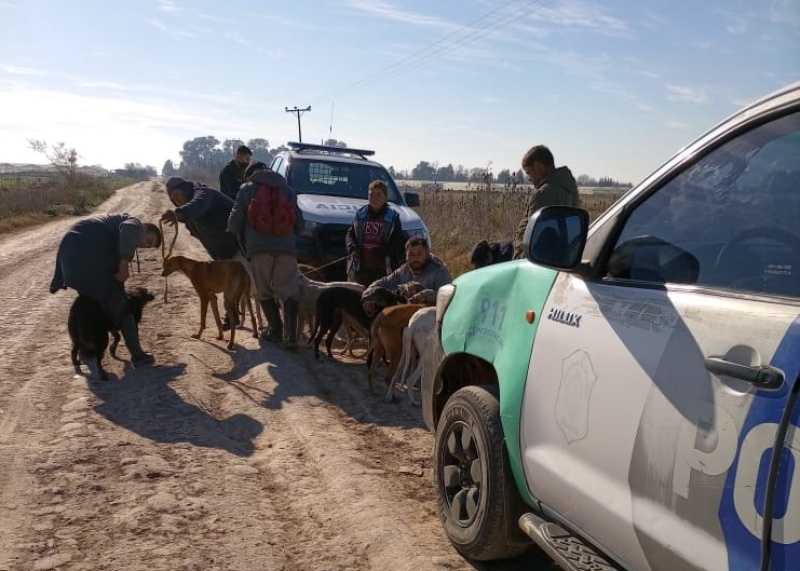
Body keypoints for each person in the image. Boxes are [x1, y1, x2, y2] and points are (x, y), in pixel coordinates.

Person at [49, 214, 162, 367]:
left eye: (147, 247)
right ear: (145, 228)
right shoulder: (135, 224)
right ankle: (138, 356)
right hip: (88, 252)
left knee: (92, 304)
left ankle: (87, 350)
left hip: (70, 257)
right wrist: (124, 263)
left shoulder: (114, 227)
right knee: (122, 305)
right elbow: (128, 229)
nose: (143, 246)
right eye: (148, 241)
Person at [227, 164, 304, 350]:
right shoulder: (288, 190)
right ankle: (291, 337)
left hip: (258, 248)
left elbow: (234, 222)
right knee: (289, 291)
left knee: (263, 289)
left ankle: (275, 330)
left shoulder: (246, 189)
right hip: (286, 248)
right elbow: (300, 225)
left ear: (250, 176)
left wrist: (239, 237)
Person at [161, 176, 241, 329]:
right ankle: (232, 316)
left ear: (185, 189)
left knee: (258, 287)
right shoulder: (189, 214)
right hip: (223, 252)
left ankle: (277, 328)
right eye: (173, 199)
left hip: (240, 244)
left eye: (177, 195)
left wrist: (178, 213)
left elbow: (198, 204)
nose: (177, 200)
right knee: (230, 283)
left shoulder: (203, 193)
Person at [513, 145, 580, 258]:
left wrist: (520, 258)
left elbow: (533, 236)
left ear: (538, 168)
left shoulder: (544, 194)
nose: (529, 178)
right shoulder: (569, 189)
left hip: (535, 259)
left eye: (529, 172)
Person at [362, 236, 451, 312]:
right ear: (406, 256)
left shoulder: (439, 271)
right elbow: (381, 283)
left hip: (430, 317)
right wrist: (368, 298)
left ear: (427, 254)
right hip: (405, 314)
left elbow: (447, 296)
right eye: (411, 254)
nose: (415, 258)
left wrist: (426, 295)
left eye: (419, 254)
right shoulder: (404, 270)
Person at [345, 179, 405, 286]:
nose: (374, 198)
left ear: (385, 198)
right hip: (361, 267)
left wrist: (381, 252)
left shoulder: (393, 217)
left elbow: (397, 241)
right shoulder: (360, 214)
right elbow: (350, 235)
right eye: (371, 194)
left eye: (378, 195)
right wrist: (353, 249)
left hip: (383, 268)